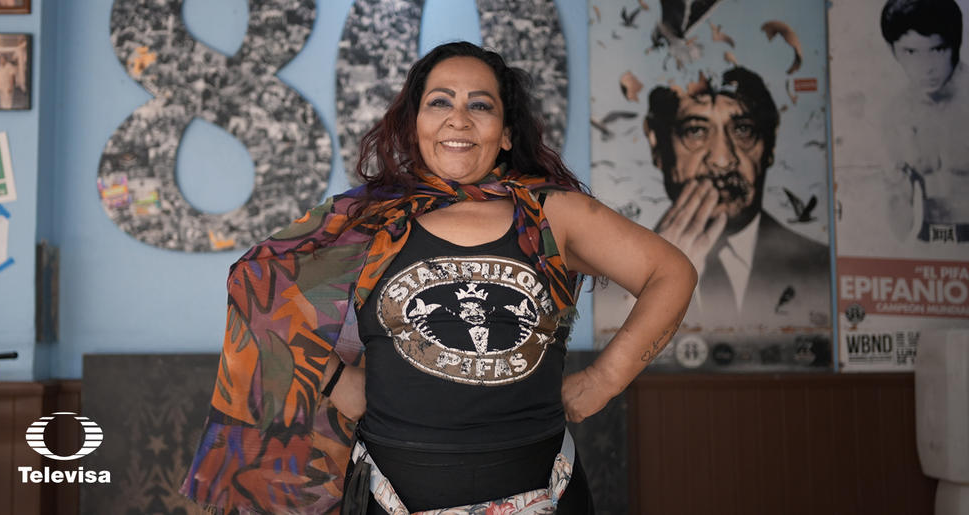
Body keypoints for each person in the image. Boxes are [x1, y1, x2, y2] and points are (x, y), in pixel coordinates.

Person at [181, 42, 696, 514]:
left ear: (506, 133)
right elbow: (262, 285)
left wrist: (604, 381)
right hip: (390, 499)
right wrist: (336, 380)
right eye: (440, 102)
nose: (459, 118)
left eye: (481, 105)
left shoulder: (552, 214)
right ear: (414, 125)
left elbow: (670, 273)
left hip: (543, 496)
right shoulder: (370, 221)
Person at [643, 67, 829, 324]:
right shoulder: (610, 280)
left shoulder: (823, 269)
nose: (722, 159)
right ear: (657, 144)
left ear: (770, 143)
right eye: (695, 131)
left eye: (742, 130)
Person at [879, 0, 969, 244]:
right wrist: (896, 188)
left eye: (937, 50)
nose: (927, 67)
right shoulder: (896, 113)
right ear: (892, 50)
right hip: (928, 244)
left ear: (955, 44)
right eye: (910, 52)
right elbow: (899, 221)